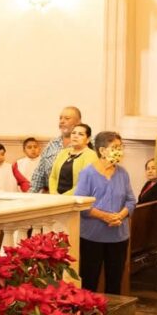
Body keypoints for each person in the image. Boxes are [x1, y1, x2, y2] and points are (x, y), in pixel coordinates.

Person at [75, 131, 135, 294]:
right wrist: (105, 216)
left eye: (121, 147)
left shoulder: (122, 173)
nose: (120, 151)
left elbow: (131, 201)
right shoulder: (87, 173)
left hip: (119, 236)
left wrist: (120, 215)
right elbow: (81, 204)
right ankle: (87, 313)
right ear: (102, 151)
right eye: (115, 147)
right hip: (93, 237)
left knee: (114, 280)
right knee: (89, 279)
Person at [29, 106, 81, 193]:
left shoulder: (87, 144)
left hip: (77, 198)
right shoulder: (52, 144)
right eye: (60, 118)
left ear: (78, 122)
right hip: (52, 196)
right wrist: (30, 195)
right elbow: (39, 173)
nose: (62, 121)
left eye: (67, 118)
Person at [48, 123, 97, 195]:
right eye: (73, 133)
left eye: (80, 134)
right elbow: (53, 177)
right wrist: (54, 193)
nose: (75, 136)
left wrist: (64, 197)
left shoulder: (91, 155)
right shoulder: (63, 152)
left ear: (88, 139)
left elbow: (84, 183)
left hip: (77, 200)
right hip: (56, 198)